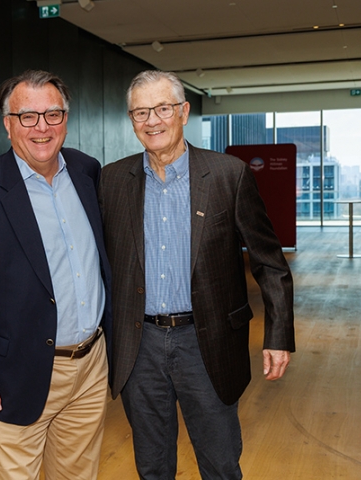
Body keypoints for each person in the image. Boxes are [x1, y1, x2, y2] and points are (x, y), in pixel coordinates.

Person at [99, 70, 295, 480]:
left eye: (162, 108)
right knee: (152, 466)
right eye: (140, 112)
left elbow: (269, 262)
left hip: (207, 343)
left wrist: (278, 335)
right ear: (131, 119)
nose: (152, 121)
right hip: (139, 347)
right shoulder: (112, 180)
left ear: (184, 112)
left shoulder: (227, 174)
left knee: (220, 465)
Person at [0, 70, 112, 480]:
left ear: (66, 120)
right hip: (20, 370)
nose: (42, 127)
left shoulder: (86, 171)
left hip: (91, 366)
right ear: (8, 125)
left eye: (53, 114)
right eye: (28, 117)